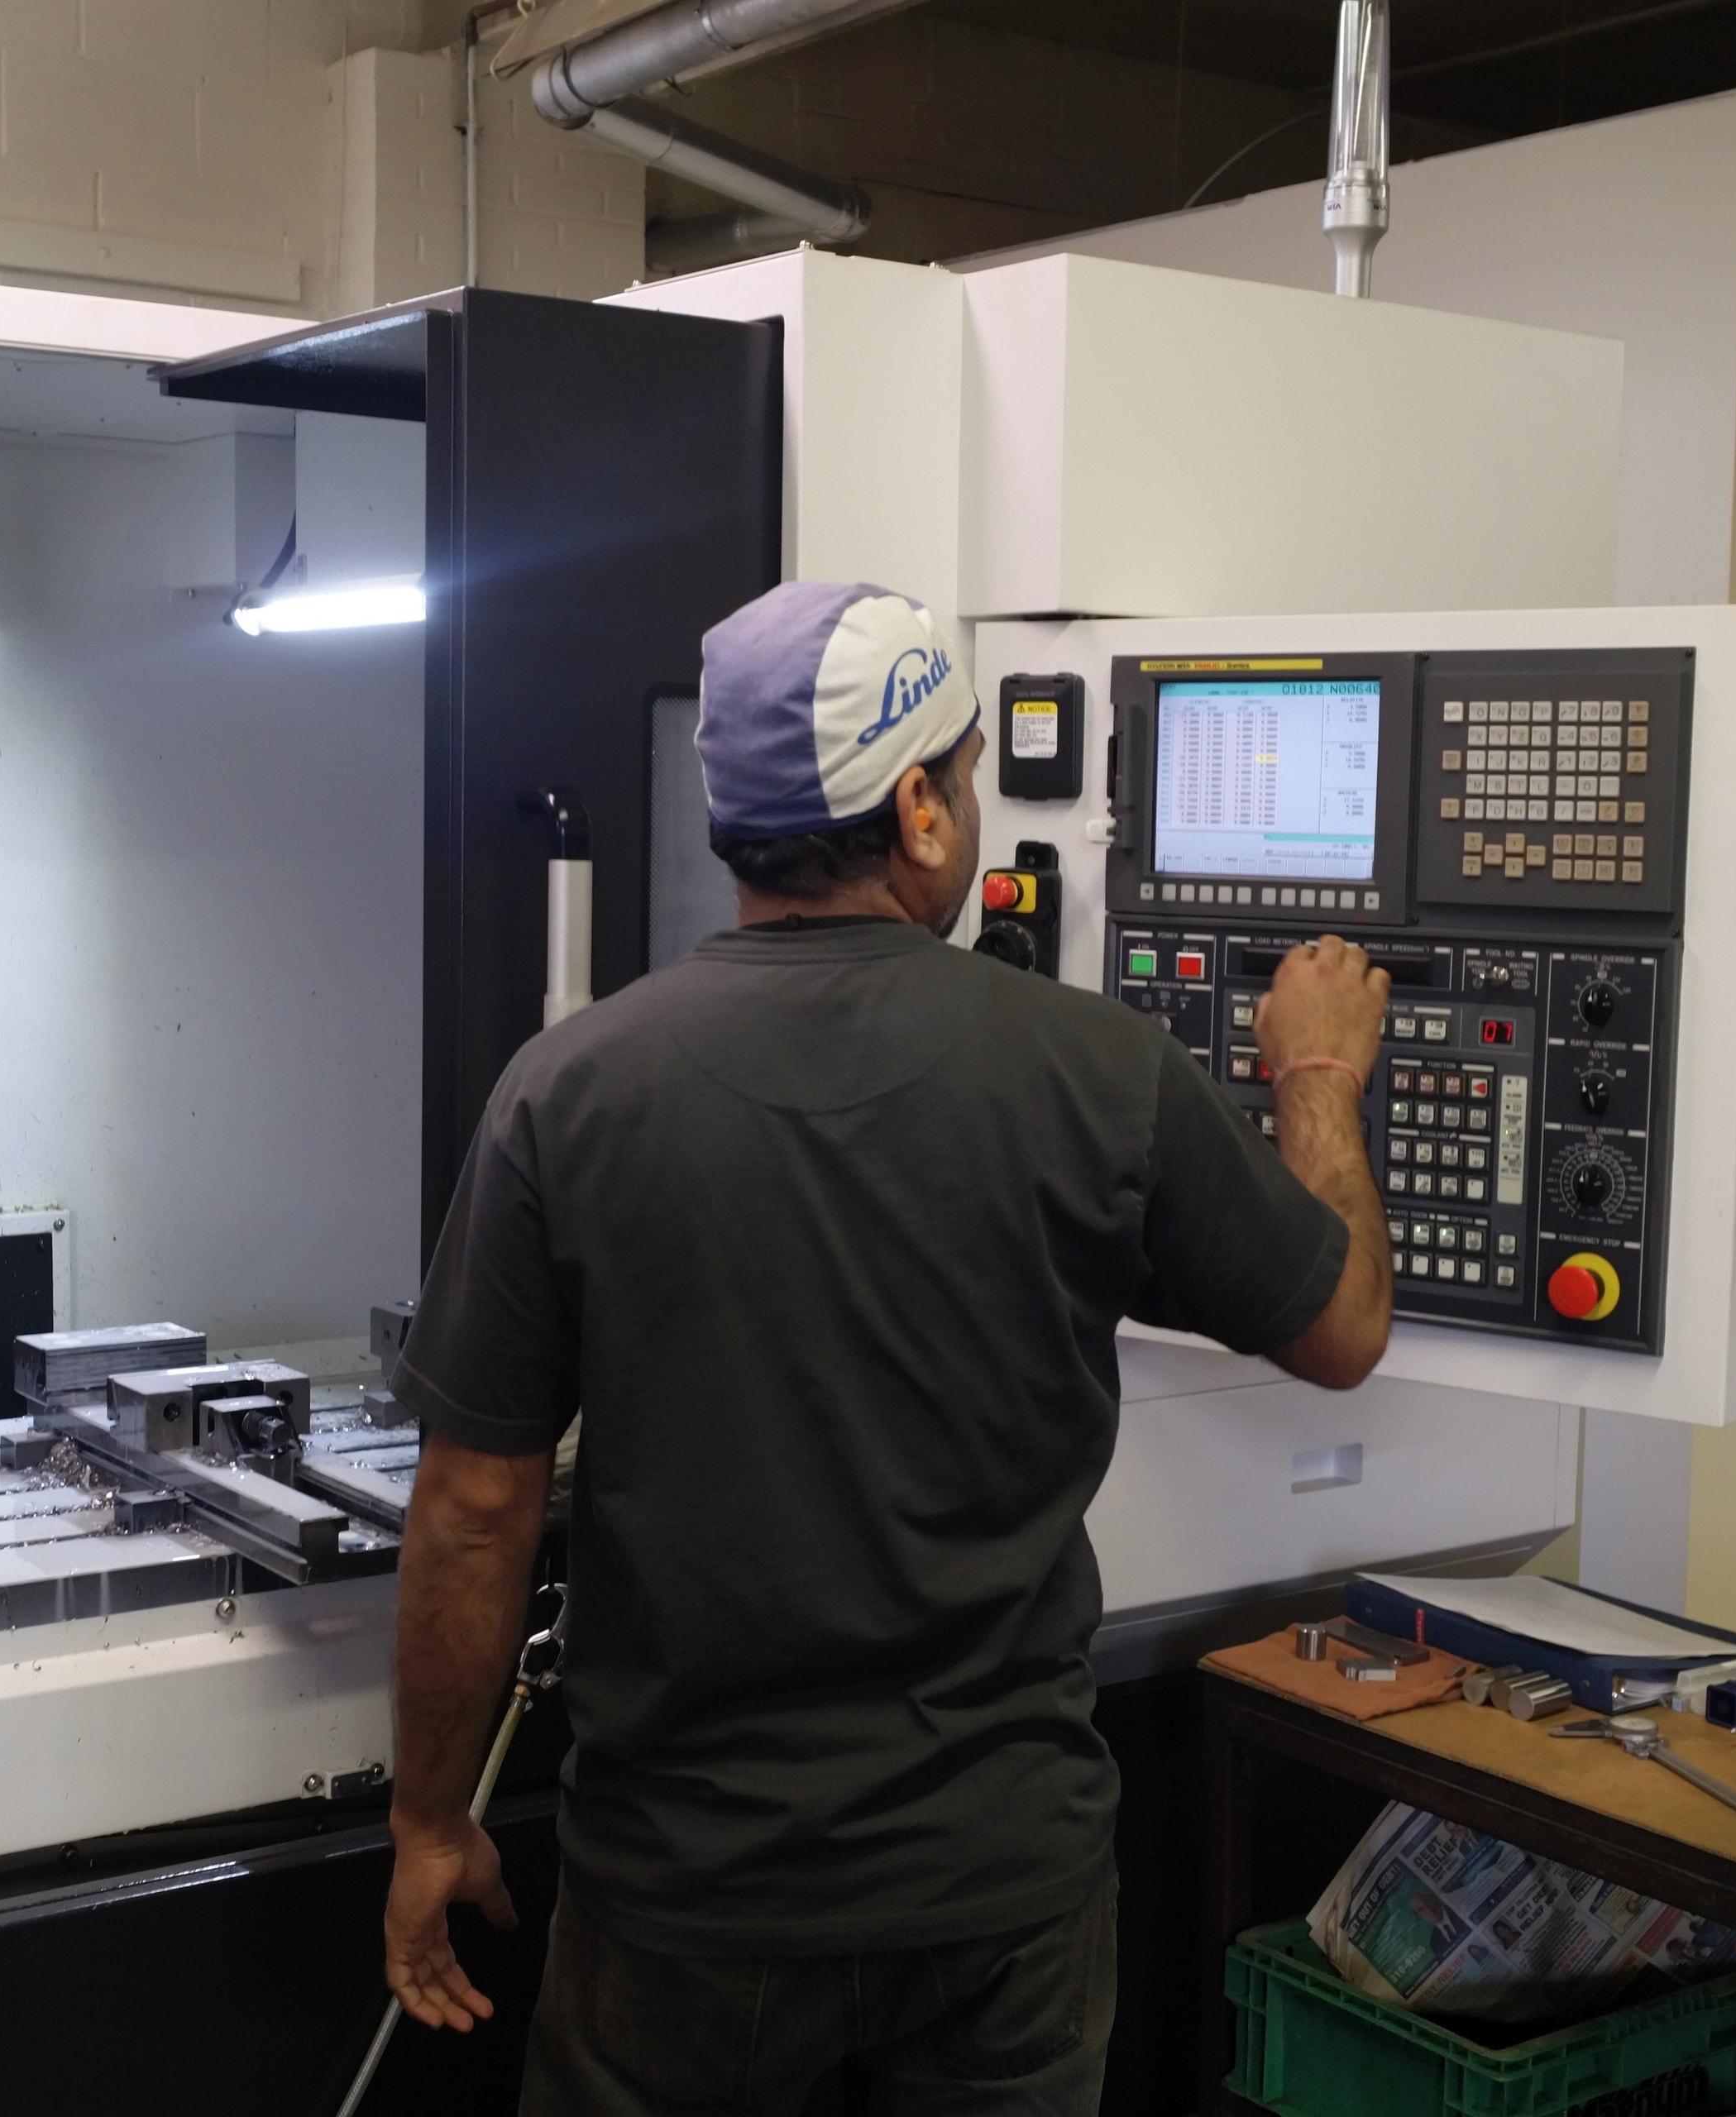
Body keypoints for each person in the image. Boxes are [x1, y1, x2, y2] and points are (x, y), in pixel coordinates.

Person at [379, 581, 1394, 2115]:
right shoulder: (1100, 1074)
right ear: (921, 812)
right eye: (971, 775)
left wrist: (430, 1825)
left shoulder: (567, 1091)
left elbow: (472, 1508)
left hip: (687, 1903)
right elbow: (1344, 1326)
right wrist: (1316, 1073)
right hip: (1001, 1899)